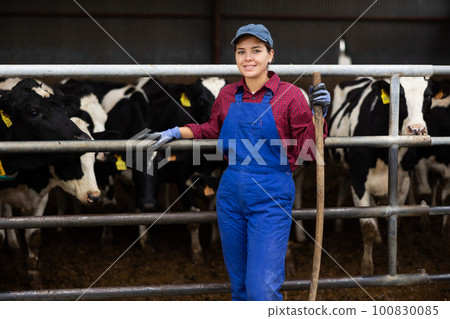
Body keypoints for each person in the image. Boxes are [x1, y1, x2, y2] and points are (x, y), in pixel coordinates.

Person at [146, 24, 330, 301]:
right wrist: (176, 132)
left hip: (271, 194)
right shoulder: (228, 94)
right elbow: (211, 129)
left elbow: (309, 150)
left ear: (270, 55)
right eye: (241, 51)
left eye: (256, 51)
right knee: (240, 288)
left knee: (262, 289)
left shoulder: (290, 96)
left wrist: (320, 117)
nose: (248, 58)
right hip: (230, 193)